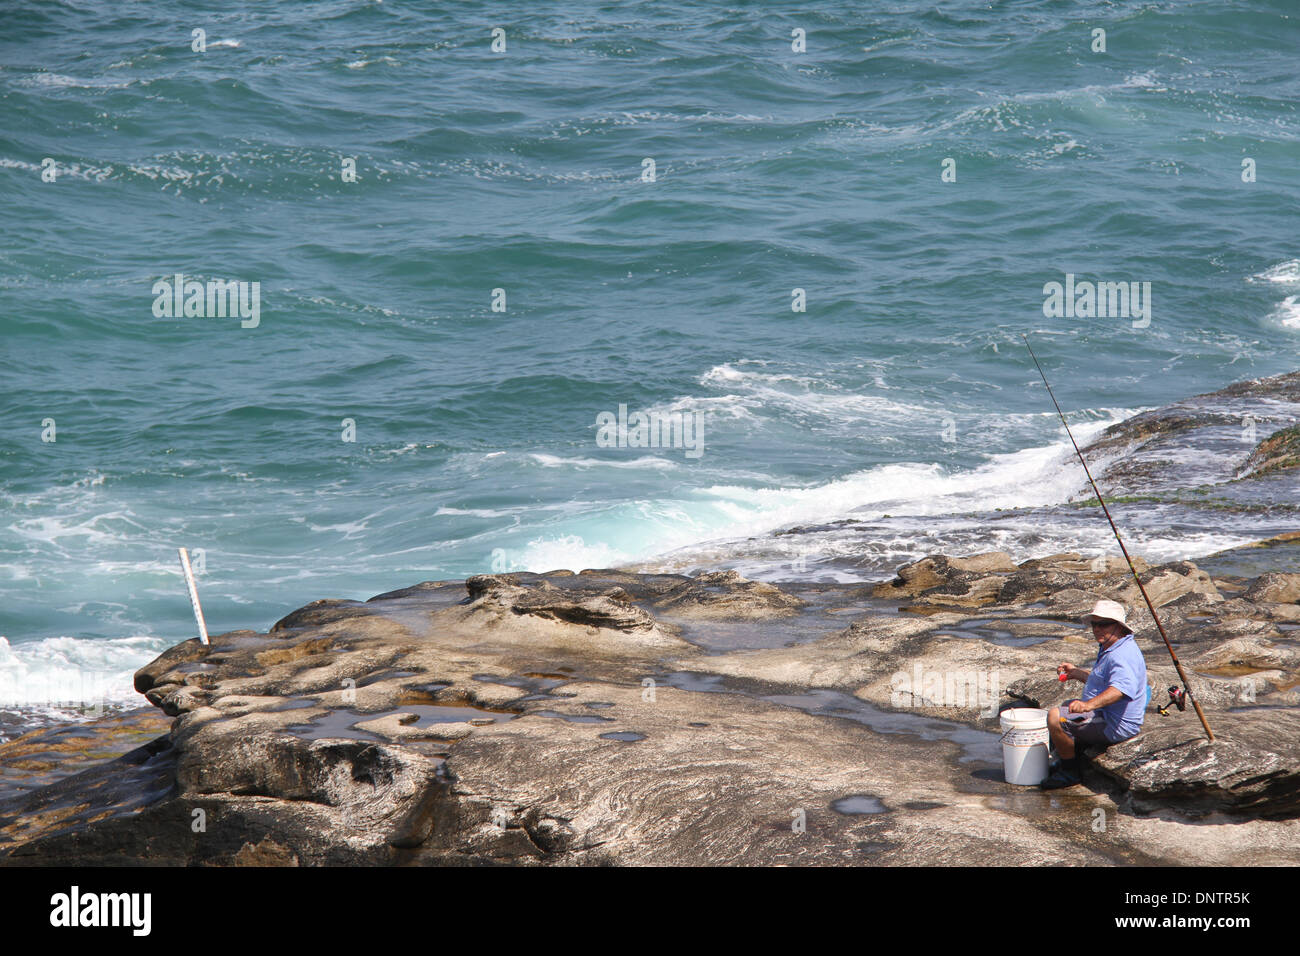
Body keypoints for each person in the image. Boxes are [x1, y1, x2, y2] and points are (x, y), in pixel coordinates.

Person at [1040, 598, 1148, 790]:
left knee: (1056, 717)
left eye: (1103, 624)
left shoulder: (1121, 654)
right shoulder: (1112, 646)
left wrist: (1088, 705)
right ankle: (1072, 755)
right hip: (1105, 716)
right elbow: (1104, 682)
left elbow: (1120, 690)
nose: (1097, 629)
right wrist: (1076, 673)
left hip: (1115, 725)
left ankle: (1069, 772)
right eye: (1094, 624)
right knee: (1068, 705)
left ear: (1120, 627)